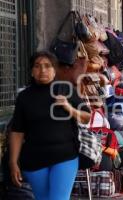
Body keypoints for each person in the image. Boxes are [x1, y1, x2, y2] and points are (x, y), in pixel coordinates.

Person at [9, 51, 91, 200]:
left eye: (48, 66)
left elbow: (86, 117)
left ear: (54, 70)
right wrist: (13, 162)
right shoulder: (24, 97)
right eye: (37, 66)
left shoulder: (65, 89)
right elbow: (17, 131)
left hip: (65, 157)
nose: (43, 70)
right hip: (34, 161)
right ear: (32, 71)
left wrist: (69, 108)